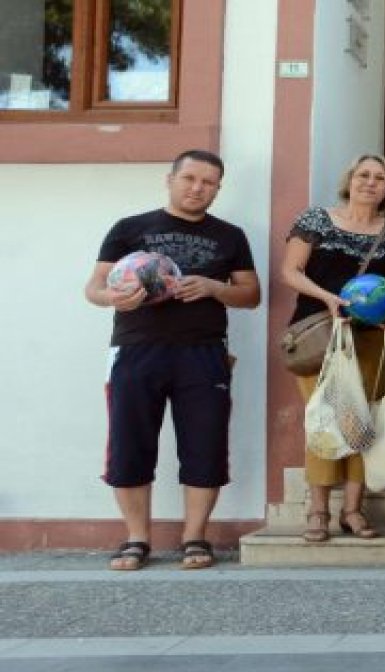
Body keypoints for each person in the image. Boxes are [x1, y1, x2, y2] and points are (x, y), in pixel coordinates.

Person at [84, 149, 261, 571]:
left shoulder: (230, 236)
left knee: (205, 445)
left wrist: (214, 288)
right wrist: (115, 297)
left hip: (204, 353)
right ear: (171, 179)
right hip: (136, 350)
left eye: (208, 183)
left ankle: (195, 538)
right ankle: (136, 539)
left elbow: (251, 295)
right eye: (190, 179)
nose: (198, 188)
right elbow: (93, 287)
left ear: (218, 188)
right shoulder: (130, 229)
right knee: (129, 444)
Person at [281, 154, 385, 543]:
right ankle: (318, 510)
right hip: (319, 335)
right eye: (364, 175)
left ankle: (353, 510)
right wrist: (328, 298)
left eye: (380, 178)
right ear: (350, 180)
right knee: (327, 419)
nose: (370, 183)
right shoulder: (316, 221)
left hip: (370, 336)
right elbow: (290, 271)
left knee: (364, 423)